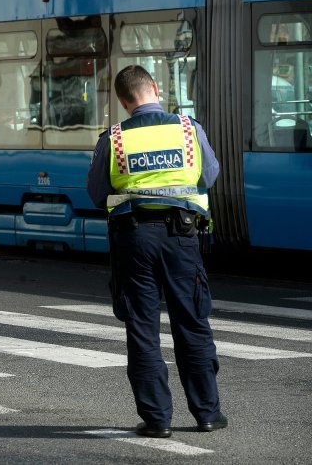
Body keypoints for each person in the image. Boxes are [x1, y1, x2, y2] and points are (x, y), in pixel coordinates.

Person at [87, 65, 227, 438]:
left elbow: (99, 192)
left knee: (143, 329)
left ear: (122, 100)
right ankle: (207, 414)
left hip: (134, 241)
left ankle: (157, 420)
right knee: (193, 323)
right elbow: (208, 176)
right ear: (154, 88)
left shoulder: (114, 139)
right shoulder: (187, 129)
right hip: (183, 239)